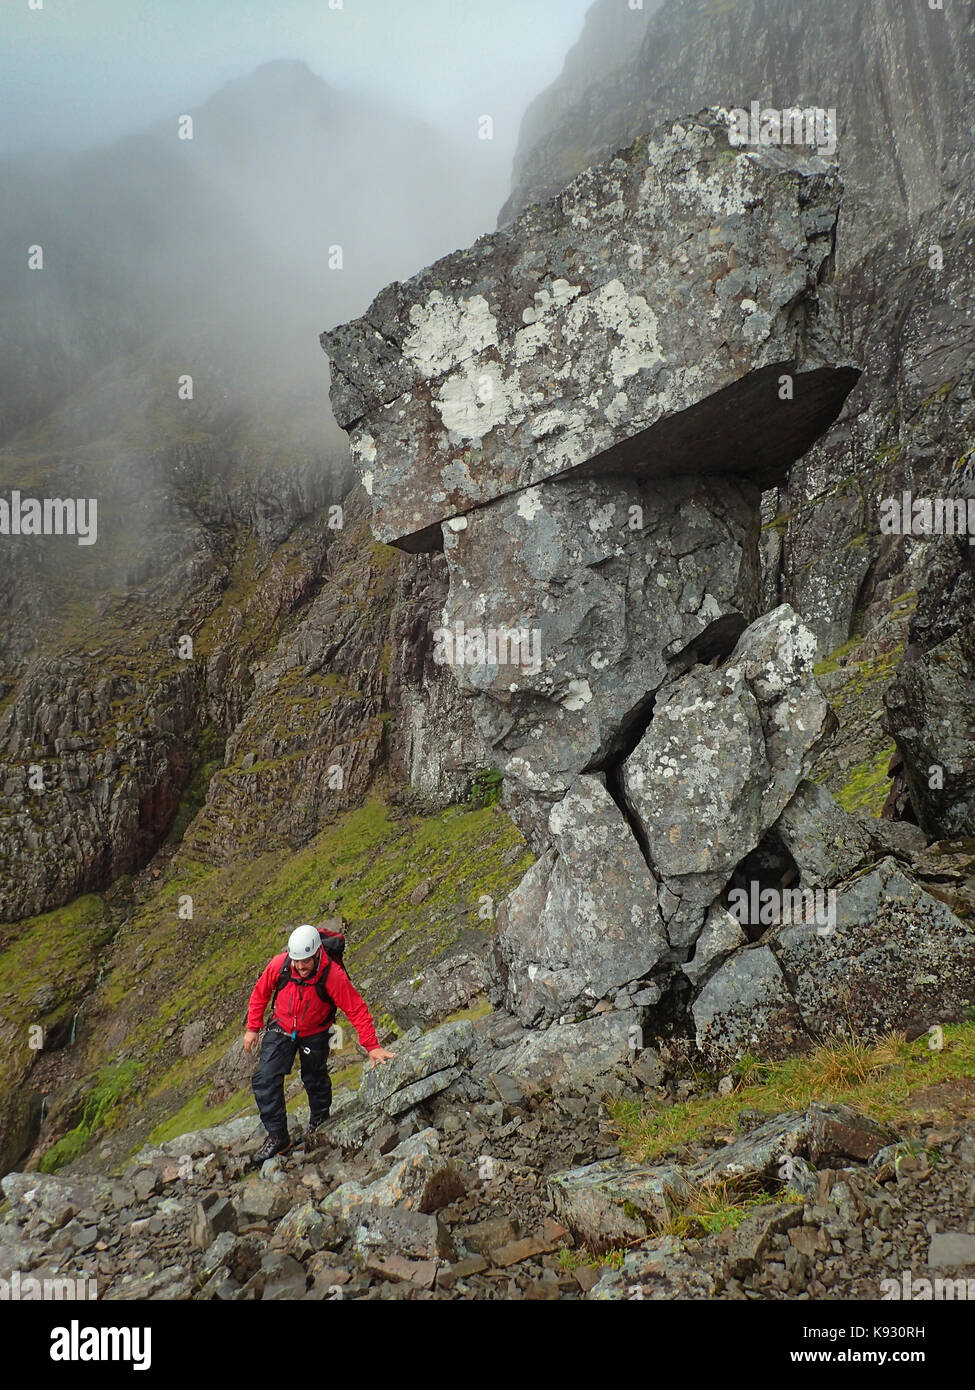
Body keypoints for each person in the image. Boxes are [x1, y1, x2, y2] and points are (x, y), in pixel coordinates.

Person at [244, 923, 396, 1163]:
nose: (301, 966)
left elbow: (355, 1008)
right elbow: (260, 992)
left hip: (315, 1032)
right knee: (265, 1079)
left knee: (314, 1079)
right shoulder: (280, 964)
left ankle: (319, 1121)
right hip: (281, 1028)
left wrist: (372, 1045)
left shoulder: (332, 975)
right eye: (297, 961)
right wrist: (252, 1028)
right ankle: (277, 1137)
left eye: (305, 961)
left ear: (317, 954)